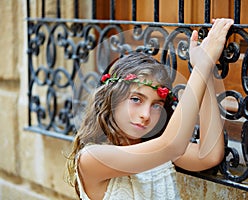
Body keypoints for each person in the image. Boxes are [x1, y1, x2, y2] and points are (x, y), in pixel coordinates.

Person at [66, 18, 234, 200]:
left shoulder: (158, 148)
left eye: (156, 105)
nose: (146, 115)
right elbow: (172, 146)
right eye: (136, 99)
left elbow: (208, 156)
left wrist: (206, 69)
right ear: (112, 99)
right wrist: (201, 66)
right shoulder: (92, 157)